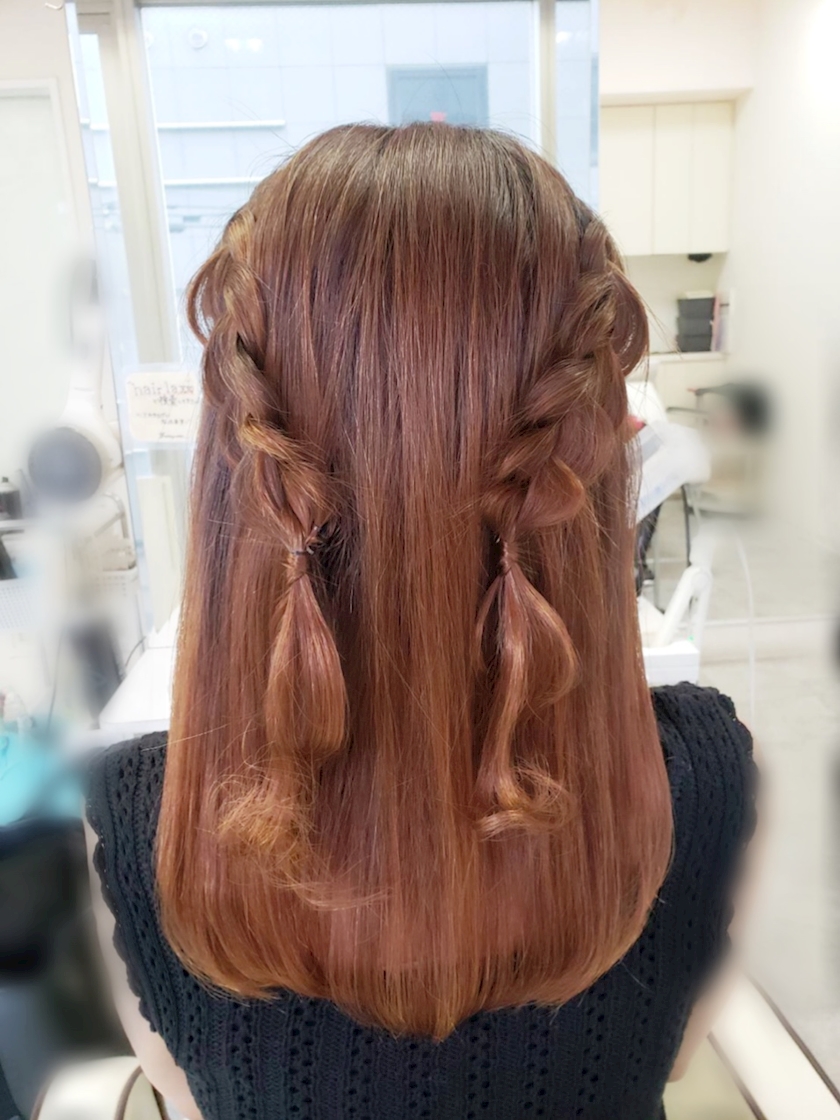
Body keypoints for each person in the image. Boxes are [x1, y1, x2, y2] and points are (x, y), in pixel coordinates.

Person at [85, 123, 757, 1120]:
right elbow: (670, 1059)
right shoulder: (700, 776)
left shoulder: (151, 815)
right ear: (597, 454)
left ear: (236, 466)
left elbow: (183, 1096)